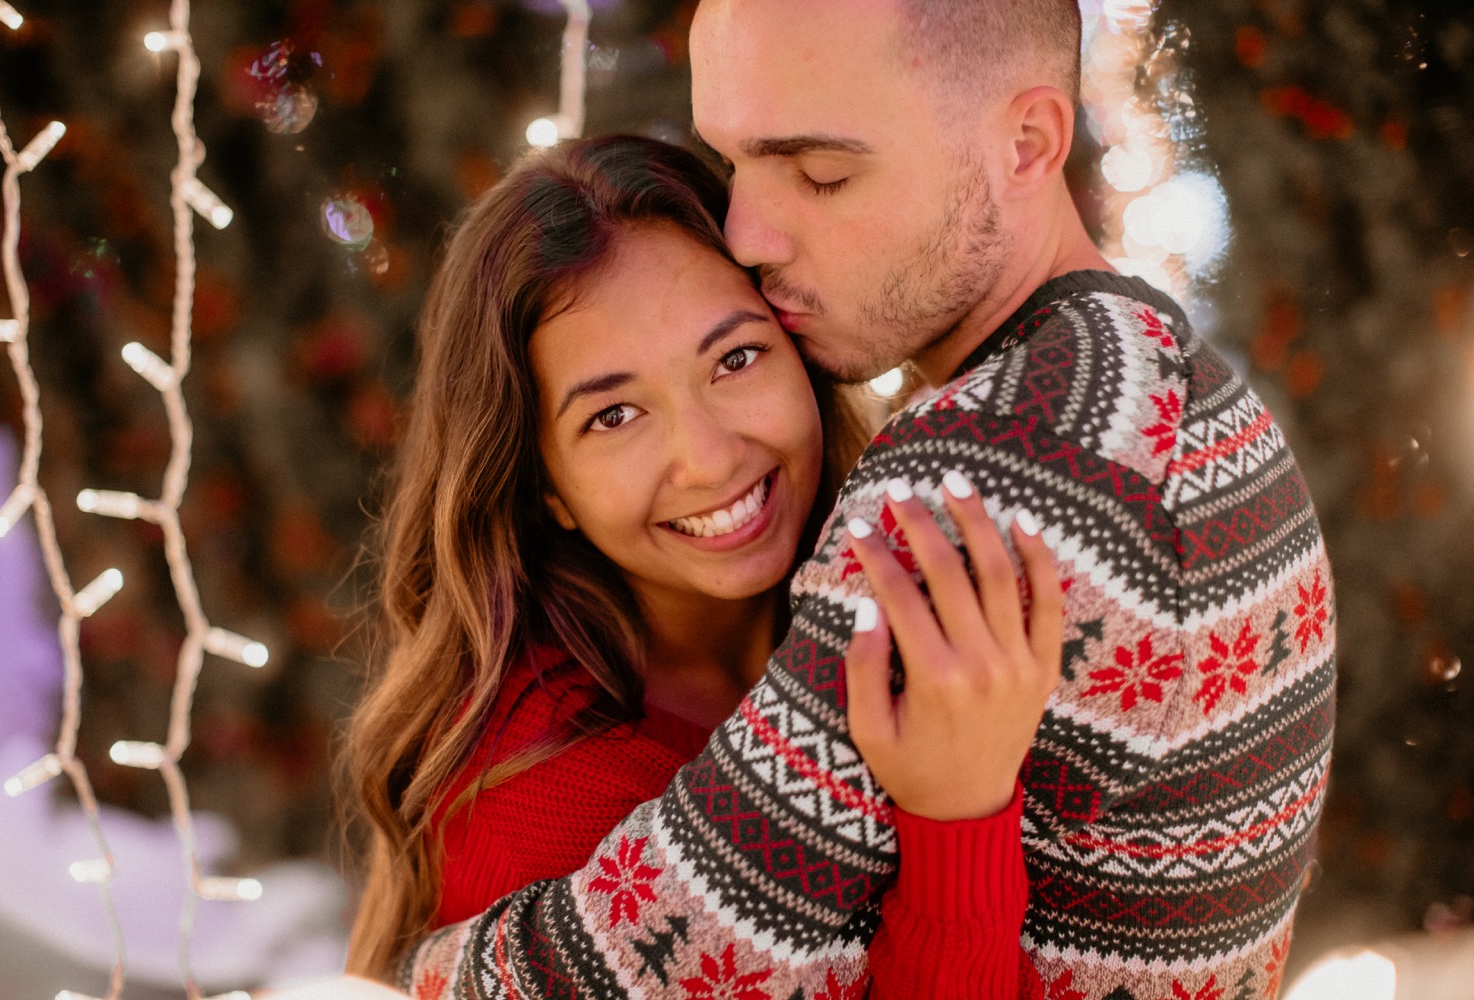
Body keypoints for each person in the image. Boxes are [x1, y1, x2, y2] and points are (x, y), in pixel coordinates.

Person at [383, 0, 1338, 995]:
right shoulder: (1186, 382)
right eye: (736, 159)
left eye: (821, 172)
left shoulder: (970, 480)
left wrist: (439, 977)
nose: (745, 234)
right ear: (545, 486)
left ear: (1026, 143)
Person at [347, 135, 1063, 999]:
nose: (708, 457)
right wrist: (956, 817)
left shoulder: (903, 586)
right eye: (613, 415)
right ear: (546, 487)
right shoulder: (535, 790)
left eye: (735, 358)